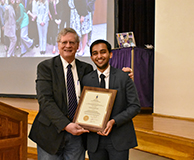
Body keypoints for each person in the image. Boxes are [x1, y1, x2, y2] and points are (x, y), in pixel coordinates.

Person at [28, 28, 134, 160]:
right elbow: (45, 100)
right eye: (64, 42)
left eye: (72, 42)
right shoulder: (45, 67)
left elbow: (101, 90)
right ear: (58, 45)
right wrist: (66, 125)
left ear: (78, 46)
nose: (68, 46)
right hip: (51, 133)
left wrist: (122, 75)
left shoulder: (86, 69)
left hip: (78, 134)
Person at [81, 39, 140, 160]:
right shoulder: (86, 80)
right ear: (91, 57)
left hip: (119, 137)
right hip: (94, 140)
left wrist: (114, 121)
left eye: (103, 52)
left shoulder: (123, 77)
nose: (99, 56)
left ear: (110, 54)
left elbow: (135, 106)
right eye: (95, 53)